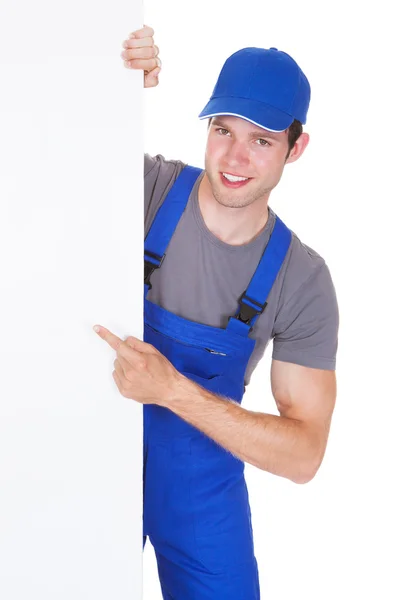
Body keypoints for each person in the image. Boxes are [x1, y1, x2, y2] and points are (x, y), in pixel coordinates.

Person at [94, 24, 339, 600]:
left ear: (295, 148)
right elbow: (41, 149)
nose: (234, 157)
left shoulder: (302, 280)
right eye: (223, 130)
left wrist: (172, 390)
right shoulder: (146, 188)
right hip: (95, 449)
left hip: (200, 487)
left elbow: (304, 455)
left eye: (261, 141)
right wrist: (109, 83)